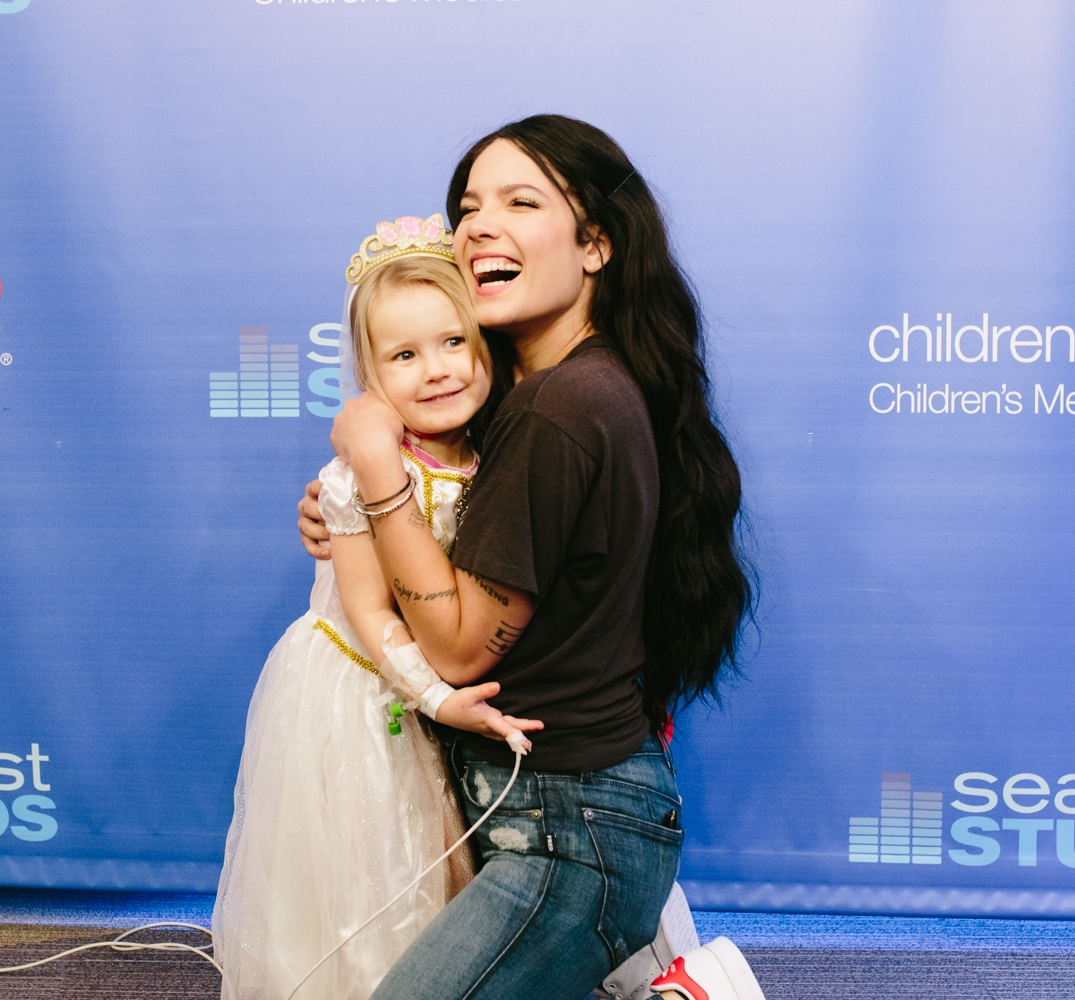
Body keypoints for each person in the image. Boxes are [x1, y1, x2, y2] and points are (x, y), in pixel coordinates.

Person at [305, 115, 763, 1000]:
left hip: (568, 836)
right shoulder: (567, 389)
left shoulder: (558, 410)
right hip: (559, 812)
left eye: (521, 201)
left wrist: (376, 477)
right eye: (468, 208)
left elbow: (462, 648)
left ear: (596, 244)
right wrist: (353, 511)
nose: (480, 226)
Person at [214, 216, 544, 1000]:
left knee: (441, 865)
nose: (435, 371)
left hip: (439, 691)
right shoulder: (357, 473)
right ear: (367, 375)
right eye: (403, 356)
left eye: (452, 343)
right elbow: (368, 609)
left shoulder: (506, 449)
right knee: (361, 871)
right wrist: (437, 699)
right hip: (362, 695)